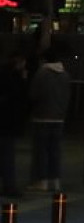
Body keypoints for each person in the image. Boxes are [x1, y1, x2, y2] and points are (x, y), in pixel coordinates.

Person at [28, 46, 71, 192]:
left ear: (44, 59)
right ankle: (56, 180)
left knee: (41, 150)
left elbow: (34, 94)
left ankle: (42, 180)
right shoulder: (65, 75)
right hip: (59, 117)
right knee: (55, 150)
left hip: (42, 116)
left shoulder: (42, 73)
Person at [0, 50, 29, 198]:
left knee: (6, 155)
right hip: (8, 123)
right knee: (7, 155)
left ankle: (8, 184)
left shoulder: (6, 74)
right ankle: (9, 186)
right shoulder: (14, 77)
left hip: (6, 121)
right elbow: (21, 98)